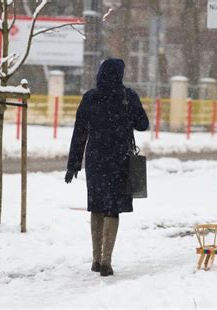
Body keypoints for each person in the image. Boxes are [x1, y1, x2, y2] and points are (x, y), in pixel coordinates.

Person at [65, 58, 149, 276]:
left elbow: (80, 132)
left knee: (97, 205)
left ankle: (95, 259)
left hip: (95, 159)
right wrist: (131, 110)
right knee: (112, 207)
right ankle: (106, 261)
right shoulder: (127, 96)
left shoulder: (90, 98)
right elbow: (143, 124)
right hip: (119, 160)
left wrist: (74, 164)